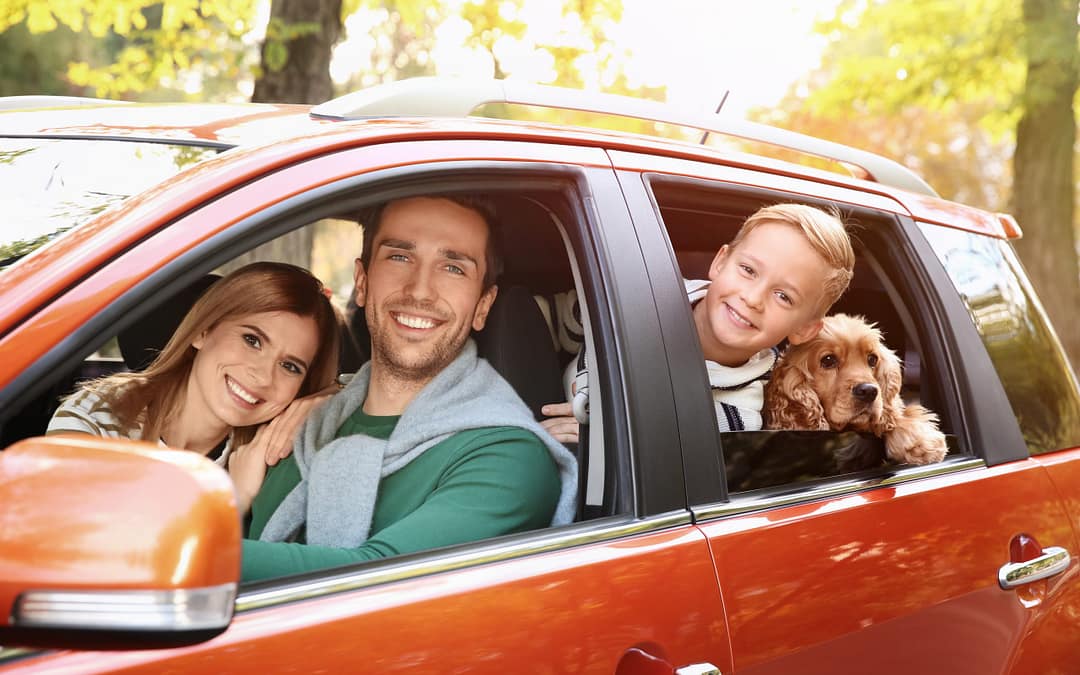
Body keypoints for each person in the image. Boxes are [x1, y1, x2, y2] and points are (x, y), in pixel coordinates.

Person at [236, 195, 578, 582]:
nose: (420, 290)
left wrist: (182, 545)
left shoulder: (510, 457)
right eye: (400, 256)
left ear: (483, 306)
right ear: (362, 282)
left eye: (453, 267)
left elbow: (369, 582)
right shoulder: (299, 426)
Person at [541, 202, 855, 440]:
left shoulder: (739, 414)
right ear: (720, 262)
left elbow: (658, 454)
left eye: (783, 296)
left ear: (804, 329)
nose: (752, 298)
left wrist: (608, 437)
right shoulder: (636, 298)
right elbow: (538, 320)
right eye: (748, 270)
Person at [47, 261, 342, 466]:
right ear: (203, 330)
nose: (264, 377)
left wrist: (330, 399)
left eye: (290, 366)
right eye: (252, 340)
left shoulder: (274, 450)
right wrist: (237, 498)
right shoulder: (99, 416)